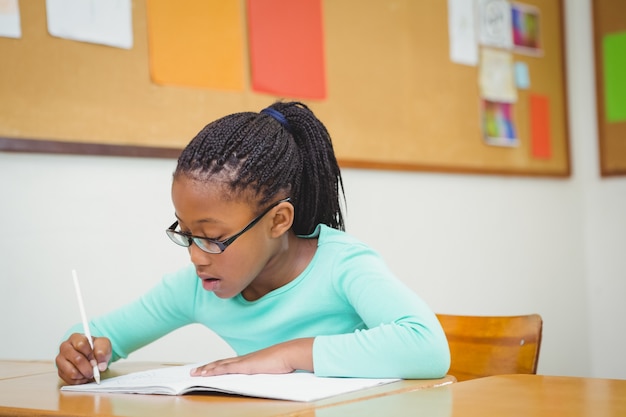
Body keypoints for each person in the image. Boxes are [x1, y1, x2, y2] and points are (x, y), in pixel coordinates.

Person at [56, 101, 450, 385]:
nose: (196, 256)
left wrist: (287, 354)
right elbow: (98, 333)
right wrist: (84, 351)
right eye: (187, 235)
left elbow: (427, 347)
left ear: (278, 220)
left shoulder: (341, 265)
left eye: (212, 238)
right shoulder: (198, 286)